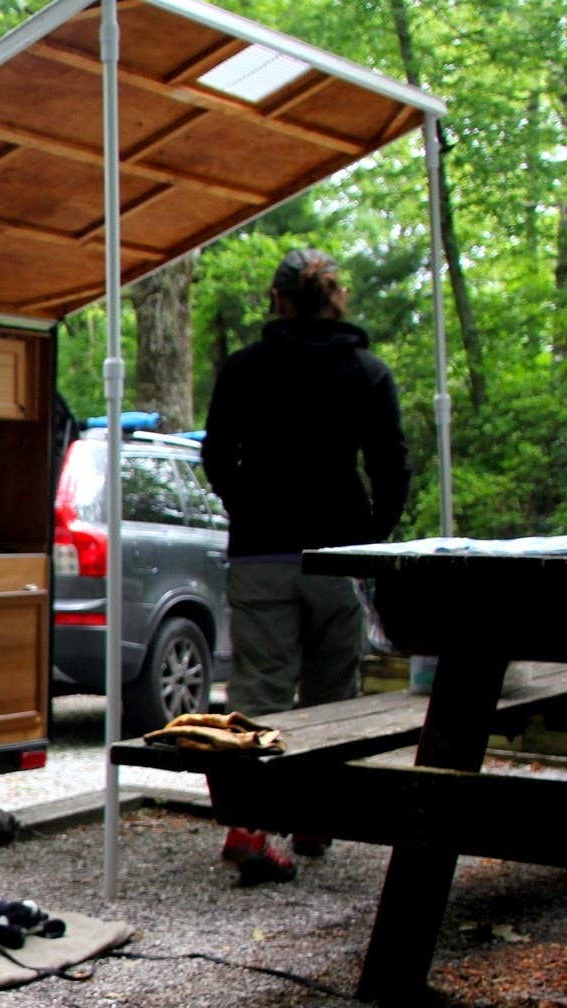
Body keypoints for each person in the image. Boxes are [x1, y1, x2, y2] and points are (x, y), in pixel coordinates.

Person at [199, 247, 410, 885]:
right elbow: (391, 465)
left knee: (261, 692)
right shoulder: (366, 372)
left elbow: (214, 454)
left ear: (278, 300)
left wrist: (246, 501)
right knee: (332, 692)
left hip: (262, 549)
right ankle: (317, 818)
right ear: (336, 297)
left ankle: (253, 827)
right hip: (337, 554)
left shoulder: (243, 369)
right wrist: (371, 539)